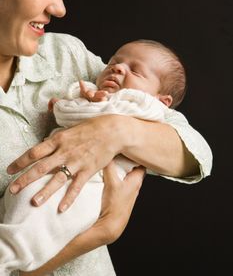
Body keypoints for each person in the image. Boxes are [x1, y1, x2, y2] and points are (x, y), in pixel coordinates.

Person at [0, 0, 212, 276]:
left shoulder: (65, 56)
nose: (60, 7)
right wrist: (100, 233)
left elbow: (195, 153)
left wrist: (113, 130)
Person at [0, 39, 192, 273]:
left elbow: (196, 149)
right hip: (58, 180)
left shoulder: (145, 107)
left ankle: (10, 255)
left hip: (93, 186)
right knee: (26, 203)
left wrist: (80, 108)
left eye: (135, 70)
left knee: (47, 215)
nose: (118, 68)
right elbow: (73, 116)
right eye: (114, 62)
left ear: (162, 100)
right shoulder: (104, 96)